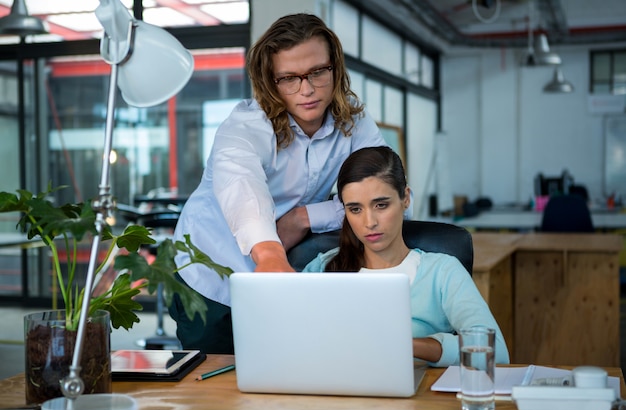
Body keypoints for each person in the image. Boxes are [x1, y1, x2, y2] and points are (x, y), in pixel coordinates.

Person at [169, 13, 387, 353]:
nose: (308, 89)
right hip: (209, 268)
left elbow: (386, 197)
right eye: (289, 78)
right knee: (216, 384)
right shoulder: (243, 126)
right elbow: (243, 187)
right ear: (271, 81)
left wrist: (304, 218)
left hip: (287, 267)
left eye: (318, 71)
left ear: (335, 68)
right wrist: (269, 252)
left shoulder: (356, 125)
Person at [303, 146, 510, 367]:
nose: (369, 222)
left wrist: (407, 346)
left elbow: (495, 352)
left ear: (406, 198)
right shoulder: (322, 268)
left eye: (381, 205)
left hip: (415, 398)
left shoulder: (442, 272)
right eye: (355, 209)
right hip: (332, 395)